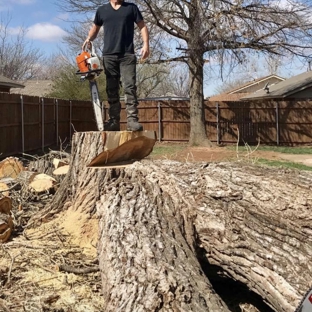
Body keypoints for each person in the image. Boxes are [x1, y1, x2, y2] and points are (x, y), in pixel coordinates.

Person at [83, 0, 150, 131]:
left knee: (129, 87)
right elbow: (95, 28)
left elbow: (142, 26)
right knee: (111, 89)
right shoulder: (102, 10)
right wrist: (89, 39)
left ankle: (132, 121)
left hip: (127, 55)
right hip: (109, 56)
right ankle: (114, 121)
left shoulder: (131, 8)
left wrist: (146, 44)